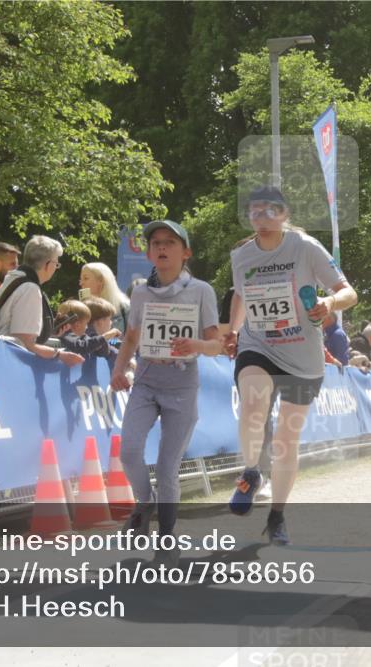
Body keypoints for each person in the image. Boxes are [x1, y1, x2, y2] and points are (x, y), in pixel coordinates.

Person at [224, 186, 357, 545]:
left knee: (286, 439)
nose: (261, 218)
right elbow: (240, 294)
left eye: (270, 211)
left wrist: (330, 303)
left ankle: (277, 516)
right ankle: (251, 473)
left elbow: (349, 292)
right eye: (255, 211)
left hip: (303, 355)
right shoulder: (242, 255)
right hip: (258, 345)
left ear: (285, 215)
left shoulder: (306, 247)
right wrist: (233, 331)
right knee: (252, 403)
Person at [111, 220, 221, 567]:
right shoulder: (141, 291)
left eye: (170, 242)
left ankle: (167, 537)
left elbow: (216, 344)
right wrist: (119, 369)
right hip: (145, 380)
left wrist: (197, 344)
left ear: (185, 252)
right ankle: (144, 505)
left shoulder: (201, 290)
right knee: (128, 452)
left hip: (182, 385)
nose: (161, 247)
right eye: (155, 242)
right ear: (148, 252)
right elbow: (131, 337)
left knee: (166, 464)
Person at [0, 235, 83, 367]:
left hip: (1, 357)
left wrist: (50, 330)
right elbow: (24, 345)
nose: (56, 268)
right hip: (9, 365)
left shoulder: (14, 278)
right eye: (56, 263)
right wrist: (59, 354)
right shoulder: (30, 289)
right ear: (48, 264)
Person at [79, 262, 130, 333]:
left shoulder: (124, 307)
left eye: (86, 278)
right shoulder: (82, 307)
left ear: (101, 280)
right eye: (81, 279)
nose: (81, 283)